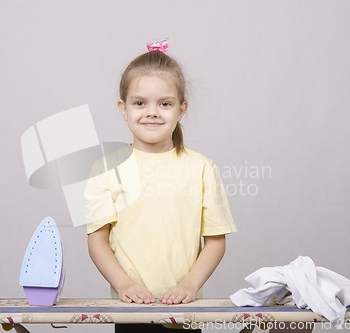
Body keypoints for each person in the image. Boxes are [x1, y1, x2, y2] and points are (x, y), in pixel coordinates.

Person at [85, 42, 237, 333]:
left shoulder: (201, 168)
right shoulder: (105, 169)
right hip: (130, 309)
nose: (151, 112)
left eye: (164, 104)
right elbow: (98, 241)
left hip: (185, 309)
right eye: (139, 103)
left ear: (181, 109)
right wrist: (124, 284)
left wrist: (189, 286)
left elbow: (215, 241)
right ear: (123, 108)